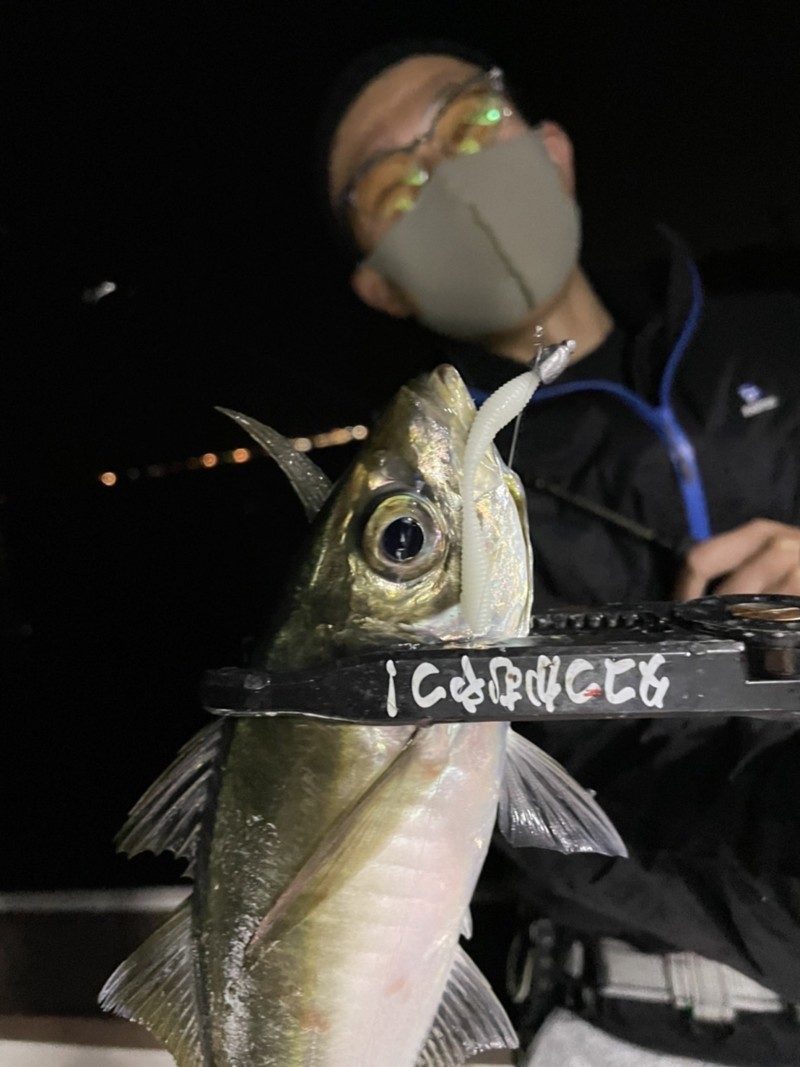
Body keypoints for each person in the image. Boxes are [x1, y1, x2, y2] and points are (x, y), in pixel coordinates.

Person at [313, 38, 800, 1067]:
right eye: (394, 187)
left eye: (468, 127)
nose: (446, 178)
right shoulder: (425, 484)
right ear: (379, 289)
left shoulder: (777, 339)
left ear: (552, 151)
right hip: (631, 1022)